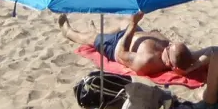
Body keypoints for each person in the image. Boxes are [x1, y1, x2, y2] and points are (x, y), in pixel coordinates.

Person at [57, 11, 204, 76]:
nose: (168, 45)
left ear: (170, 63)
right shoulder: (175, 55)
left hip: (117, 46)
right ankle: (101, 32)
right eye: (171, 44)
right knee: (123, 22)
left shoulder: (147, 61)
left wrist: (133, 24)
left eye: (169, 48)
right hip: (136, 35)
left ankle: (69, 33)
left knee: (93, 37)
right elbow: (209, 52)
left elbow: (121, 54)